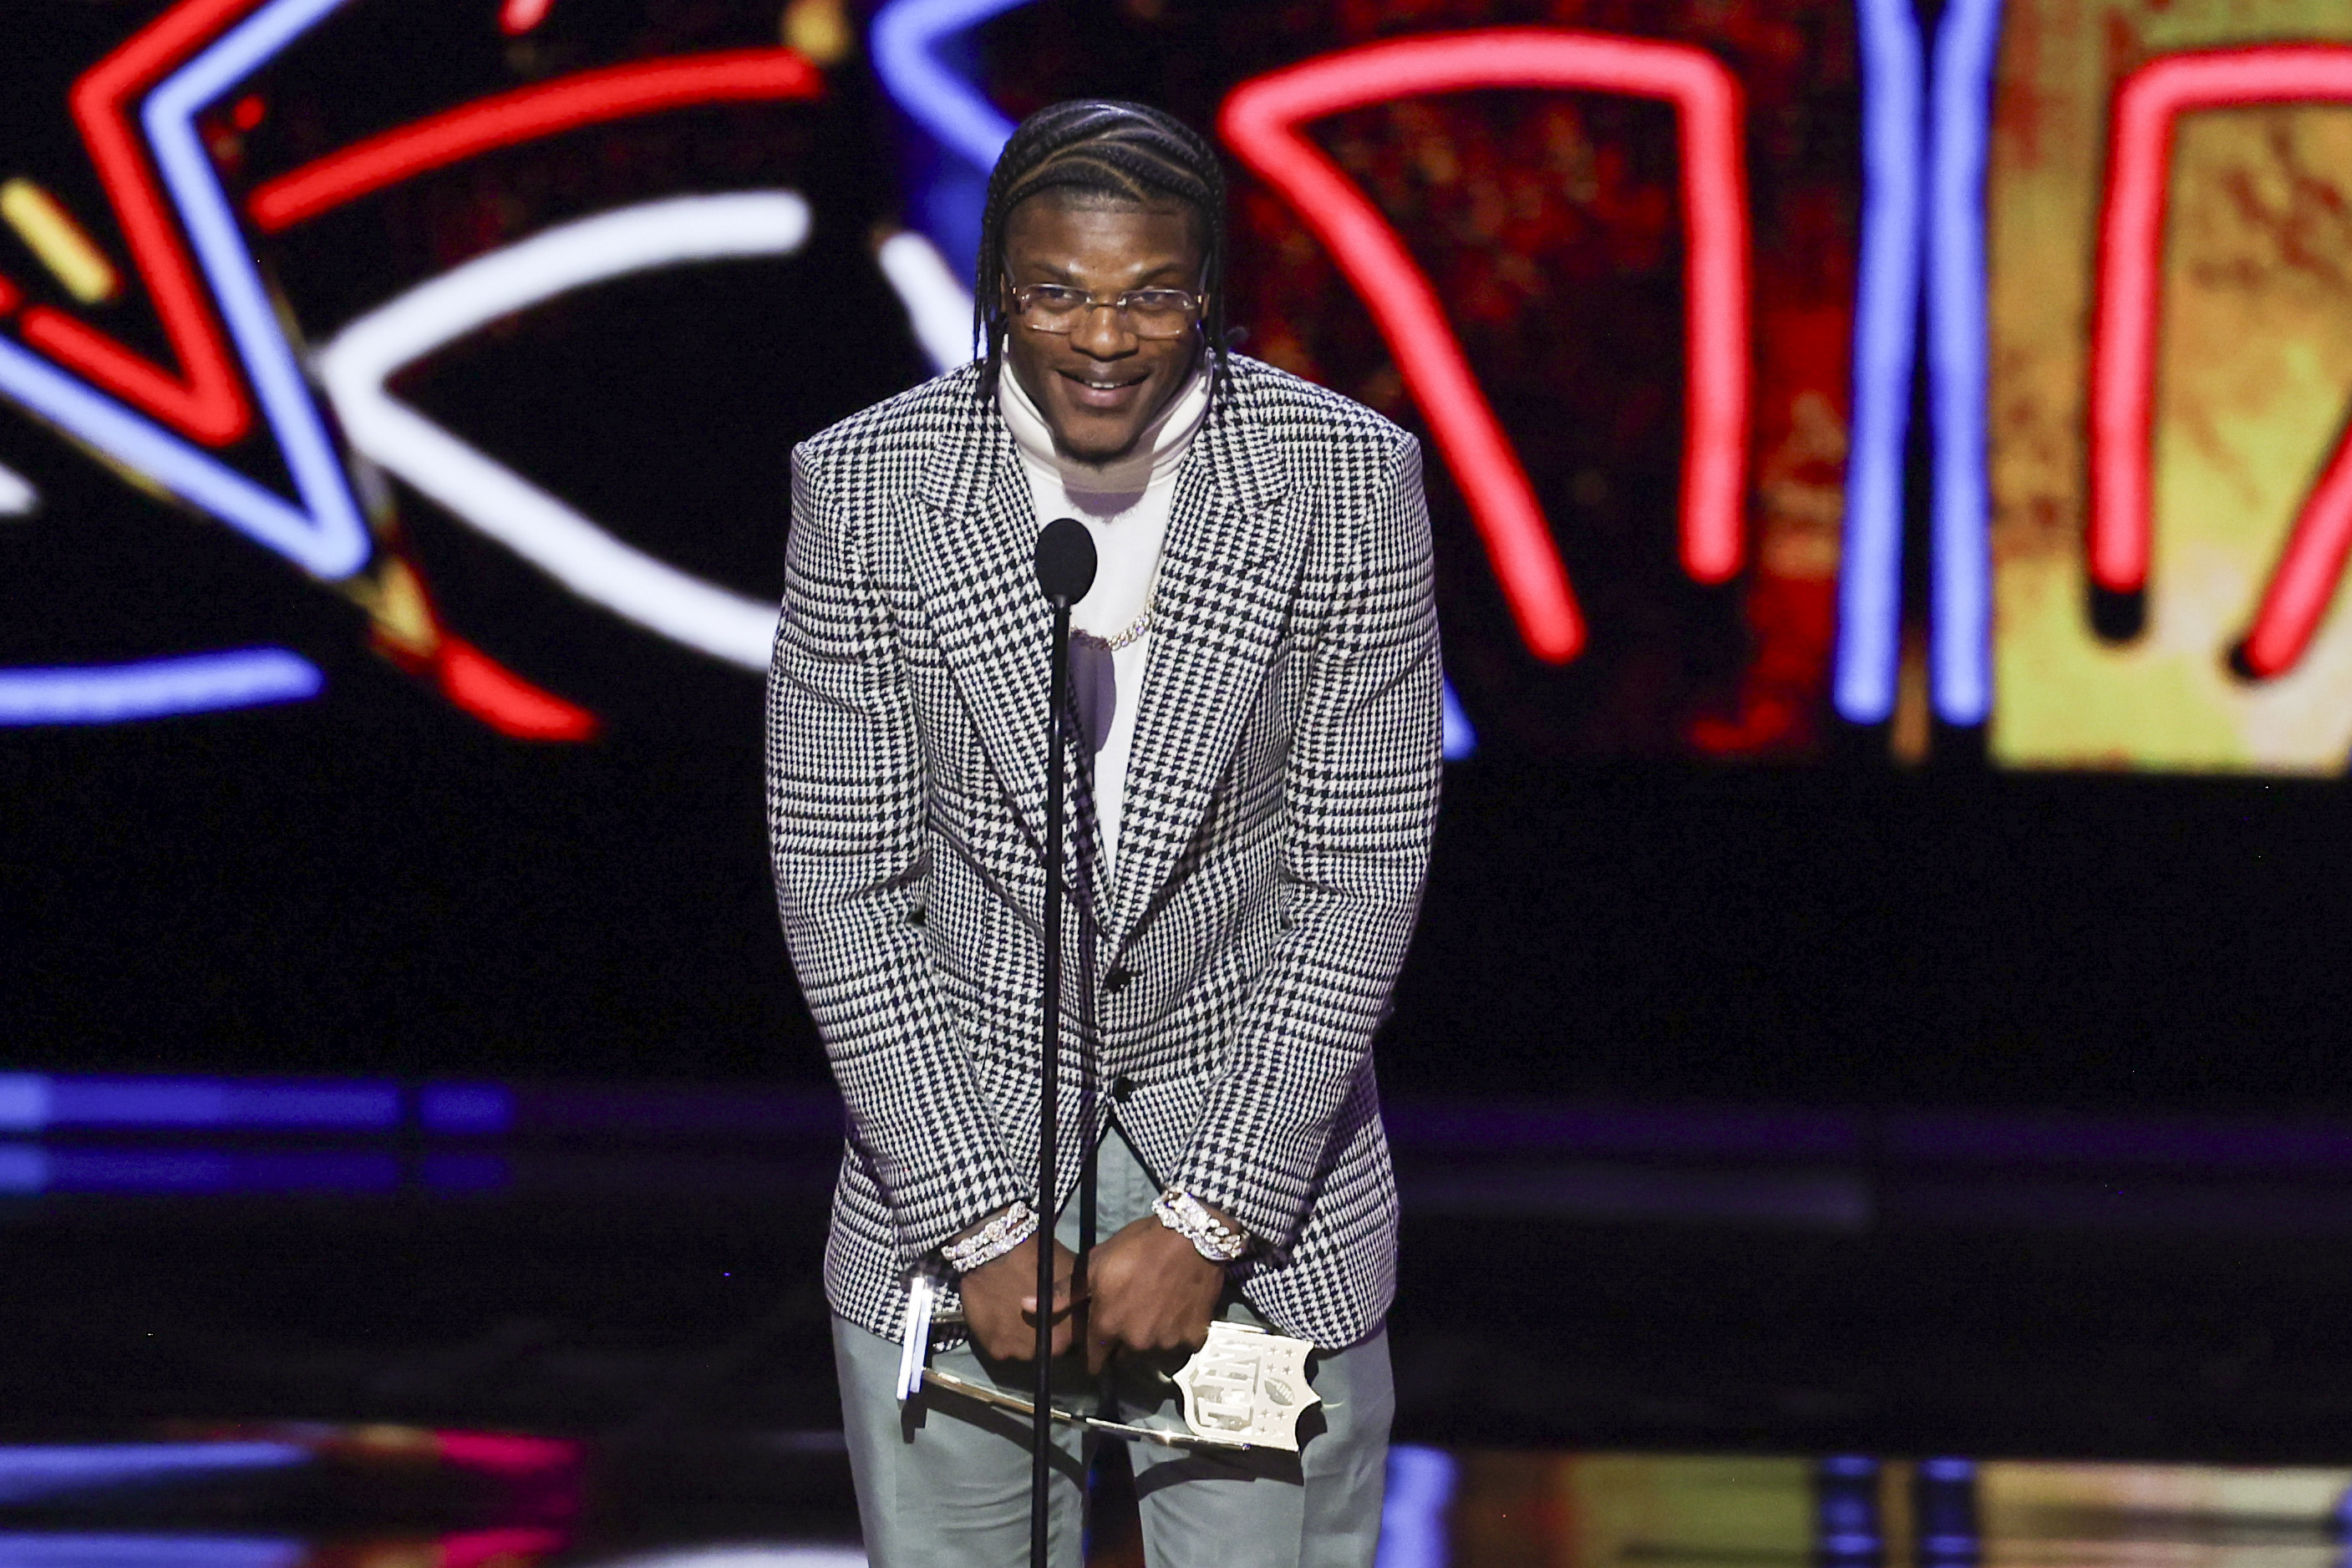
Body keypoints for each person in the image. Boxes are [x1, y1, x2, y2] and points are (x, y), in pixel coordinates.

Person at [765, 99, 1442, 1568]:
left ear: (1209, 294)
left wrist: (1209, 1218)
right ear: (999, 289)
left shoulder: (1344, 481)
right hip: (953, 1192)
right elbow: (843, 883)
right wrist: (978, 1223)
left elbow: (1357, 874)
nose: (1102, 336)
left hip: (1266, 1191)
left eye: (1150, 293)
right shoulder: (871, 486)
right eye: (1058, 290)